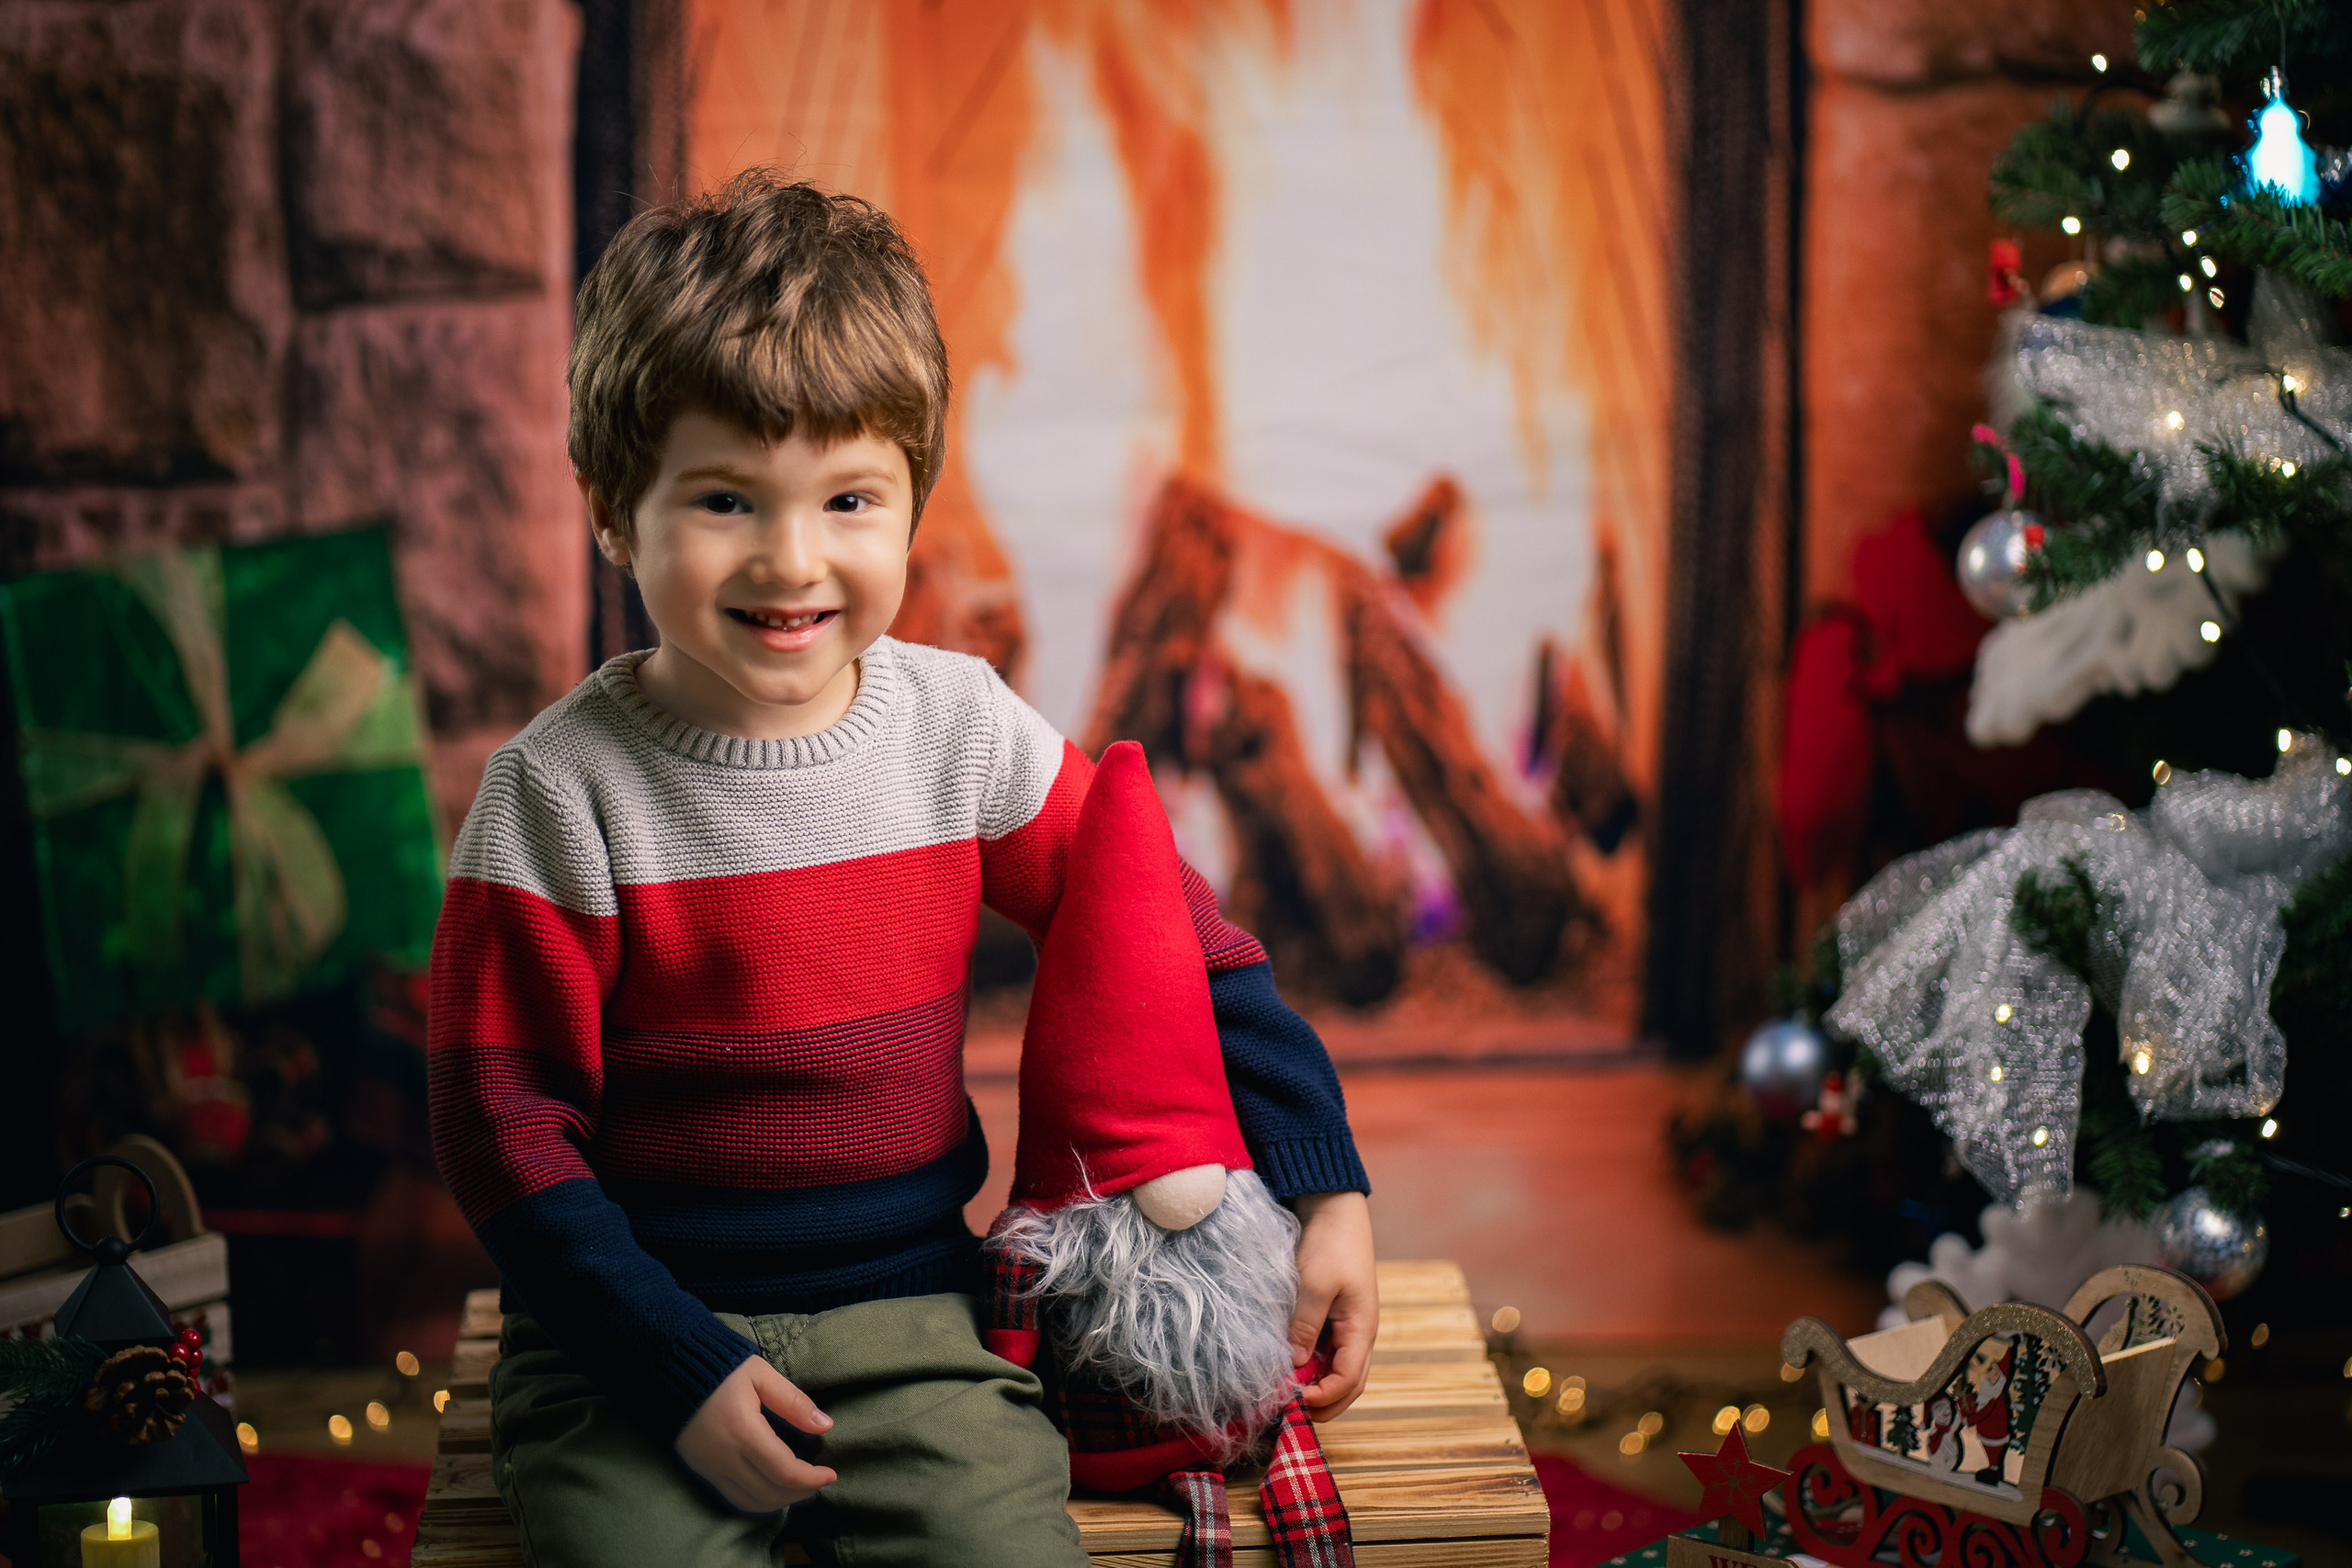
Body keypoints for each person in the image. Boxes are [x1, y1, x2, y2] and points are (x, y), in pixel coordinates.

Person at [426, 168, 1375, 1567]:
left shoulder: (957, 732)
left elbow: (1174, 934)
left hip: (916, 1325)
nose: (793, 559)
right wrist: (670, 1368)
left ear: (916, 499)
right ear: (614, 508)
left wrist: (1325, 1184)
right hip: (626, 1342)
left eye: (850, 497)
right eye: (725, 501)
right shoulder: (559, 794)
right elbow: (503, 1129)